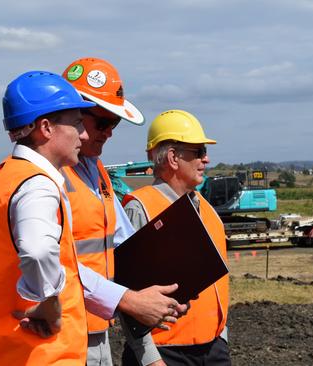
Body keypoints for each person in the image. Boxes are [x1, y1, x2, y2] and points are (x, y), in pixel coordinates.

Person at [60, 57, 186, 366]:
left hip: (96, 332)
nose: (109, 133)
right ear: (70, 115)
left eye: (113, 123)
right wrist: (131, 301)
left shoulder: (96, 171)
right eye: (102, 123)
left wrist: (167, 288)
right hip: (61, 335)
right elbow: (52, 267)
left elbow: (126, 250)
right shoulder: (45, 179)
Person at [0, 70, 95, 365]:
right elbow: (38, 251)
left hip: (10, 351)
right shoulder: (35, 184)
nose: (84, 134)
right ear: (46, 128)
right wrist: (50, 302)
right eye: (77, 123)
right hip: (42, 354)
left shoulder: (6, 178)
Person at [121, 110, 231, 366]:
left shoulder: (209, 210)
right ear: (173, 157)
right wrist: (150, 358)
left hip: (213, 350)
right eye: (199, 151)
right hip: (164, 354)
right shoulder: (141, 208)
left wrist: (221, 339)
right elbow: (127, 291)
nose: (206, 159)